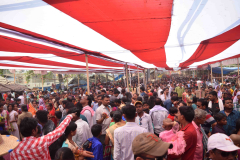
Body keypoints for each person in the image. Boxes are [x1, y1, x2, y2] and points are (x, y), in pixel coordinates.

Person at [11, 112, 77, 159]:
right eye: (36, 127)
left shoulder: (14, 149)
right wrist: (70, 116)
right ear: (33, 131)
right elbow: (60, 130)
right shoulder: (41, 142)